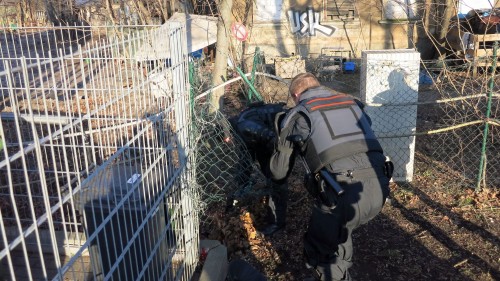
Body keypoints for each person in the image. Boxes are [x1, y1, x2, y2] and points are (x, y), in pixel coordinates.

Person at [268, 73, 392, 281]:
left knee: (319, 249)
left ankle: (332, 273)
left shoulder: (299, 114)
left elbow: (279, 172)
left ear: (296, 95)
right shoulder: (353, 104)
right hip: (380, 187)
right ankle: (340, 270)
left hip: (342, 192)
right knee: (339, 229)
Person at [230, 101, 289, 236]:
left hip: (278, 138)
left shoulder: (245, 125)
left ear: (226, 137)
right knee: (271, 176)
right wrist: (240, 187)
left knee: (277, 180)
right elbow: (245, 162)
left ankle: (277, 225)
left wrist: (275, 163)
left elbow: (273, 139)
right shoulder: (240, 129)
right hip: (266, 141)